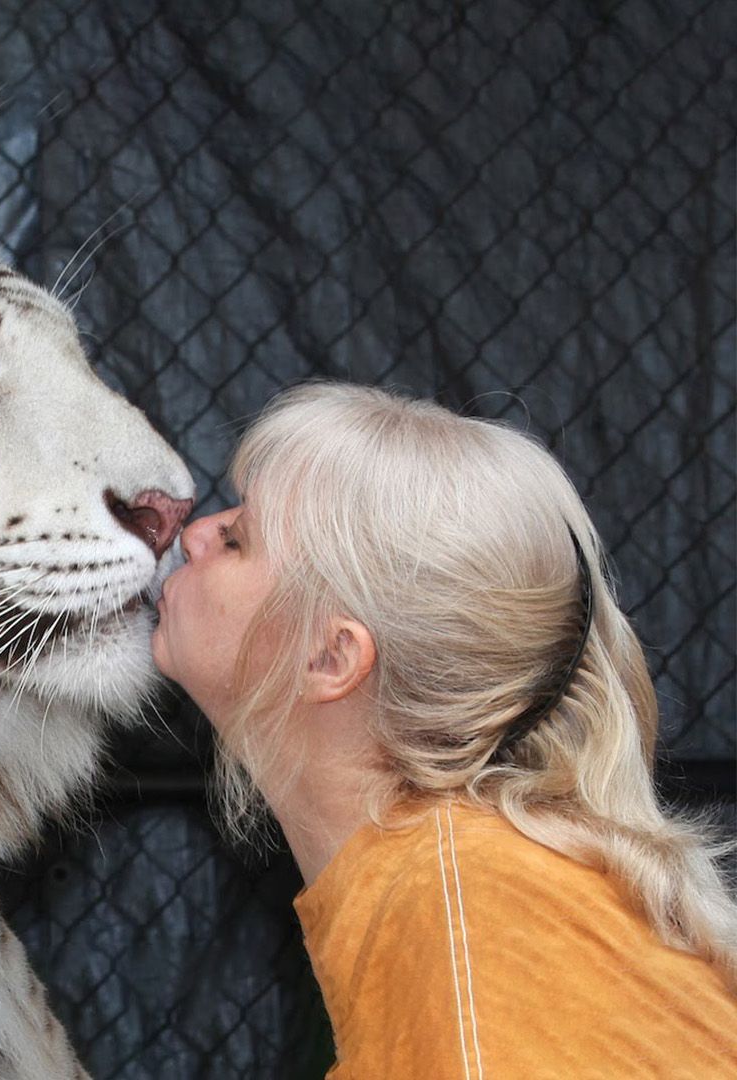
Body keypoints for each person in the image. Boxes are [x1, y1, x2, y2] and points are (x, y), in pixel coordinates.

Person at [152, 382, 737, 1078]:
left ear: (331, 658)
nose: (192, 534)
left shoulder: (470, 939)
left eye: (238, 538)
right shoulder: (477, 882)